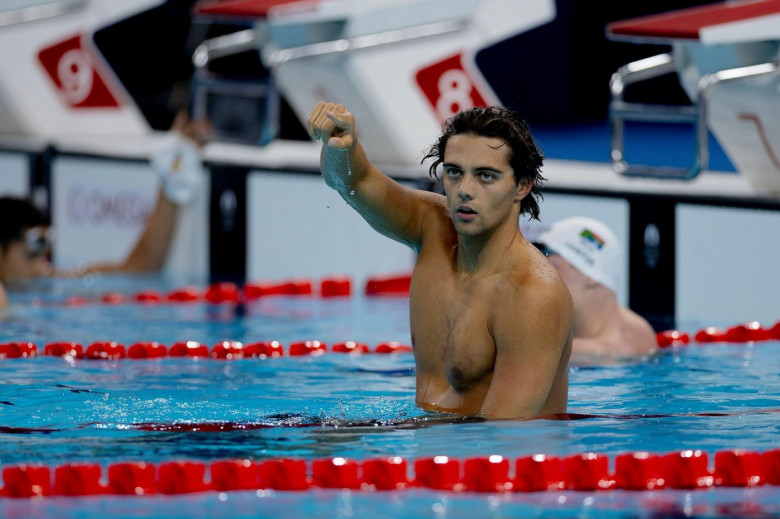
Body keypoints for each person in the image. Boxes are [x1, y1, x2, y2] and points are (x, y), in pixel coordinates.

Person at [307, 102, 573, 419]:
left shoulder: (531, 294)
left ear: (522, 185)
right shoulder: (432, 227)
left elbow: (502, 438)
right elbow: (353, 182)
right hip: (436, 446)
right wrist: (340, 147)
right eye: (454, 172)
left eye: (486, 176)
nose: (465, 190)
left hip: (490, 459)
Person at [0, 113, 204, 310]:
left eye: (46, 253)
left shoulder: (51, 283)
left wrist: (174, 172)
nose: (41, 266)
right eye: (32, 253)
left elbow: (137, 269)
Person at [534, 217, 657, 361]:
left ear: (590, 275)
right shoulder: (637, 330)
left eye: (546, 260)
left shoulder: (599, 353)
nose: (535, 273)